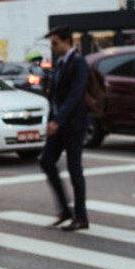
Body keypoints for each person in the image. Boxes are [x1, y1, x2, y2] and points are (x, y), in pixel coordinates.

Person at [40, 26, 89, 231]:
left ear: (66, 42)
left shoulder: (78, 63)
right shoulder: (60, 64)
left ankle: (81, 216)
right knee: (46, 161)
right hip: (59, 124)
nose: (53, 47)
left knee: (74, 169)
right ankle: (64, 208)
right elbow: (55, 97)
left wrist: (58, 120)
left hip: (73, 125)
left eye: (55, 43)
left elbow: (75, 95)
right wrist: (52, 119)